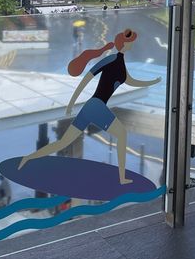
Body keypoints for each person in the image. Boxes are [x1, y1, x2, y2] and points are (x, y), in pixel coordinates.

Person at [18, 29, 161, 184]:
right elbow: (86, 78)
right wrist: (71, 103)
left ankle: (28, 158)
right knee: (122, 134)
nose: (133, 44)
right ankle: (121, 178)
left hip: (90, 106)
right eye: (131, 42)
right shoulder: (111, 60)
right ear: (125, 43)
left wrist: (152, 82)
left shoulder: (120, 64)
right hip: (97, 106)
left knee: (63, 143)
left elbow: (132, 81)